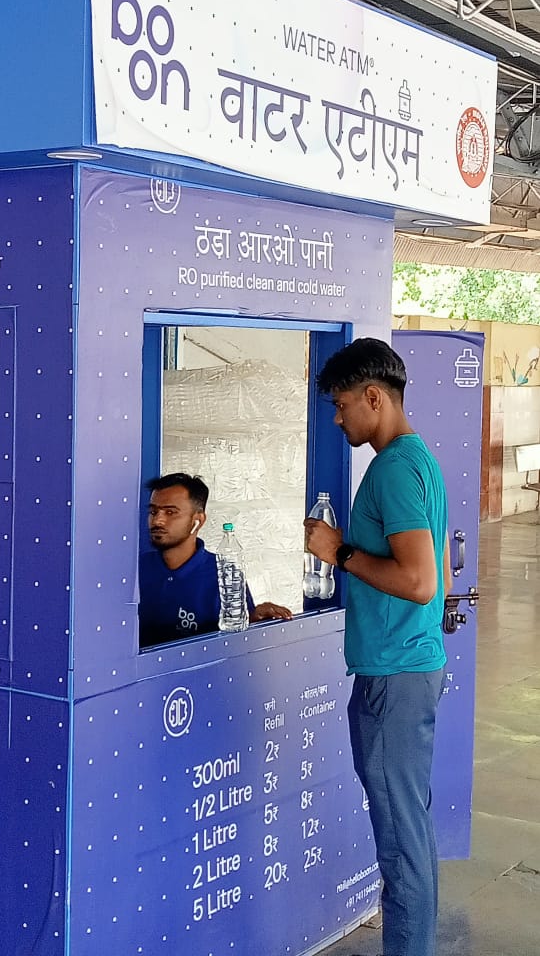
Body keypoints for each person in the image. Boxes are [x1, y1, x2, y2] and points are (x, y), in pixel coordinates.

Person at [303, 337, 452, 956]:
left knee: (400, 843)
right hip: (402, 669)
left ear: (374, 397)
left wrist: (337, 551)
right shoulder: (416, 460)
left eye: (341, 406)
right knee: (409, 834)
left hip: (395, 676)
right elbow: (439, 572)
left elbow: (420, 582)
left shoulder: (392, 468)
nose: (337, 419)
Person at [138, 472, 292, 646]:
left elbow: (237, 644)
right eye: (153, 511)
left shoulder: (224, 575)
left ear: (198, 521)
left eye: (170, 512)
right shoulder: (135, 570)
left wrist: (256, 621)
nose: (158, 520)